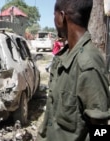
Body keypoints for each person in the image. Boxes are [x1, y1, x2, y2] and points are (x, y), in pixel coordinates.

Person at [37, 0, 110, 141]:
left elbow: (101, 129)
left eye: (54, 15)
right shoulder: (64, 56)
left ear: (61, 17)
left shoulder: (88, 64)